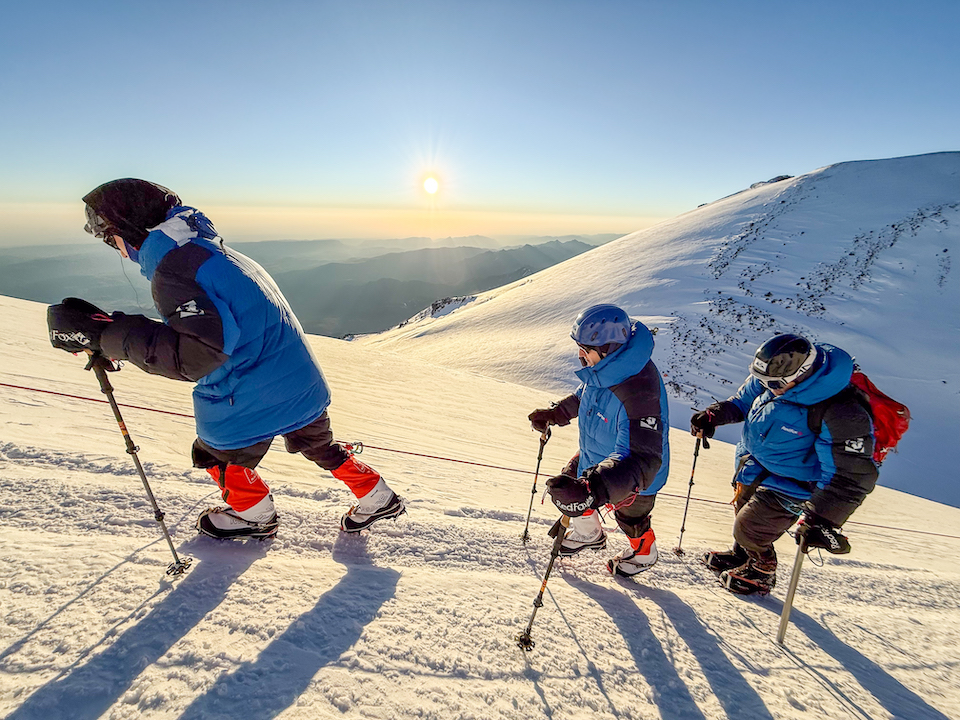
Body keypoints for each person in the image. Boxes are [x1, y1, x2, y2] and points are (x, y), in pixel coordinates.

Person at [47, 178, 406, 539]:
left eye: (110, 239)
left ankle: (254, 514)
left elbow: (196, 354)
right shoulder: (211, 251)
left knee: (215, 453)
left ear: (128, 230)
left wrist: (105, 337)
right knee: (318, 444)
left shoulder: (175, 270)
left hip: (251, 389)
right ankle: (378, 496)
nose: (116, 249)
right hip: (298, 381)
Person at [691, 333, 878, 595]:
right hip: (757, 465)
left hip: (797, 482)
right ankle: (744, 555)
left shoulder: (841, 411)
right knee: (742, 511)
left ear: (802, 374)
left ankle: (762, 572)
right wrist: (714, 415)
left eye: (774, 384)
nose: (768, 387)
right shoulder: (774, 377)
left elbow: (851, 474)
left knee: (751, 527)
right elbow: (743, 402)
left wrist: (821, 518)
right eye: (762, 381)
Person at [528, 304, 670, 577]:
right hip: (595, 454)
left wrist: (594, 489)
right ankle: (589, 535)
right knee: (568, 487)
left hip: (634, 475)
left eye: (585, 349)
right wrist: (555, 414)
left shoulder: (639, 391)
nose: (580, 355)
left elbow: (643, 458)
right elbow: (584, 396)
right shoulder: (607, 369)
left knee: (630, 519)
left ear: (608, 348)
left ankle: (644, 553)